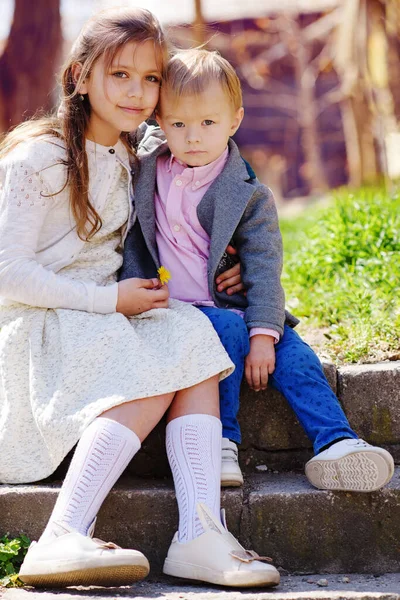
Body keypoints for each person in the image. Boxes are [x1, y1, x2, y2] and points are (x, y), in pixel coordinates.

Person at [0, 10, 281, 589]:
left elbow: (200, 204)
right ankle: (61, 535)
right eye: (119, 74)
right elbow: (8, 274)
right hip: (35, 328)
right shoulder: (38, 158)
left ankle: (200, 533)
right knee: (155, 363)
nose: (137, 91)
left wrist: (229, 268)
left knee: (191, 333)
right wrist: (109, 304)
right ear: (80, 76)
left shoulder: (140, 158)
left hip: (103, 314)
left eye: (151, 78)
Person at [121, 48, 395, 492]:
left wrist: (264, 336)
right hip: (178, 311)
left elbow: (266, 269)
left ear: (235, 120)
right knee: (226, 333)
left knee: (295, 354)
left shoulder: (248, 194)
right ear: (160, 121)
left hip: (239, 304)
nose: (192, 136)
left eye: (208, 123)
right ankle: (222, 443)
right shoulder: (148, 165)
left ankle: (338, 442)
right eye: (179, 123)